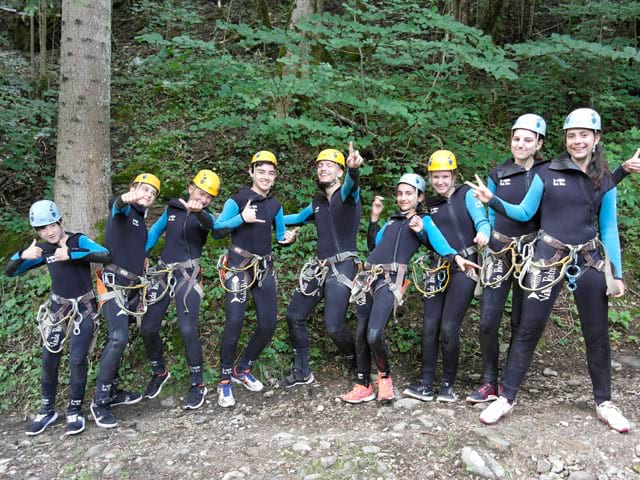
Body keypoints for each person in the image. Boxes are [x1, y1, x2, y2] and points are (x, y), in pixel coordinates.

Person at [467, 108, 630, 433]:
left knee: (596, 334)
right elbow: (524, 210)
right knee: (528, 328)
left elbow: (608, 228)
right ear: (565, 140)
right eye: (572, 135)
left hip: (588, 260)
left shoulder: (604, 180)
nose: (578, 140)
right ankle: (507, 397)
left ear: (596, 139)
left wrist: (617, 273)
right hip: (546, 256)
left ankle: (604, 402)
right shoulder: (548, 172)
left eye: (585, 134)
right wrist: (493, 201)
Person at [340, 174, 478, 404]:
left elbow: (437, 241)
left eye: (409, 193)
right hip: (367, 277)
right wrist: (374, 219)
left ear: (419, 196)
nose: (403, 198)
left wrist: (456, 258)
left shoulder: (423, 220)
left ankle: (384, 377)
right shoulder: (392, 220)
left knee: (374, 334)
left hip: (391, 279)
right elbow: (374, 245)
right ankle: (363, 385)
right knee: (361, 334)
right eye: (400, 193)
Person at [6, 200, 110, 435]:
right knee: (49, 358)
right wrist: (23, 254)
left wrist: (71, 254)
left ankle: (74, 410)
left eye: (52, 225)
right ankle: (47, 409)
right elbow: (11, 271)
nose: (49, 232)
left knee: (77, 359)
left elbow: (104, 255)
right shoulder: (43, 251)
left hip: (83, 307)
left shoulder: (76, 240)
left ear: (61, 222)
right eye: (42, 228)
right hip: (58, 310)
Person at [466, 114, 547, 404]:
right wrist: (484, 230)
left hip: (532, 253)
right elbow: (487, 212)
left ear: (539, 143)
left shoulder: (546, 172)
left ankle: (510, 381)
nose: (520, 144)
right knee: (488, 320)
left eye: (528, 139)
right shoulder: (498, 174)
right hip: (499, 251)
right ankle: (489, 381)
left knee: (521, 321)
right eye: (516, 138)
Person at [403, 150, 490, 403]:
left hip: (467, 266)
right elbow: (431, 242)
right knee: (429, 325)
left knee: (449, 326)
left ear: (453, 175)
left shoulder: (467, 194)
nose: (440, 182)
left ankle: (448, 385)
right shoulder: (430, 205)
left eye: (444, 176)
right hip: (437, 267)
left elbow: (481, 219)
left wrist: (484, 231)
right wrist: (420, 234)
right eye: (435, 177)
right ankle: (426, 383)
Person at [215, 151, 298, 408]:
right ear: (251, 172)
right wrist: (242, 218)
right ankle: (225, 381)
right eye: (261, 171)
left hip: (263, 267)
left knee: (268, 324)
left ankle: (242, 368)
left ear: (275, 177)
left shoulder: (275, 206)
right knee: (235, 321)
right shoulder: (238, 200)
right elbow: (217, 230)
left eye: (271, 173)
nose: (266, 177)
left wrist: (287, 239)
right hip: (238, 266)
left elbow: (280, 234)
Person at [142, 170, 227, 409]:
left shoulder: (206, 217)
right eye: (201, 193)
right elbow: (156, 232)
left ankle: (198, 384)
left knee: (187, 329)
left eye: (209, 196)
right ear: (190, 188)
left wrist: (201, 212)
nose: (204, 198)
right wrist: (142, 254)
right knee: (148, 327)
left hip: (188, 275)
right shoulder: (173, 209)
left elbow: (215, 229)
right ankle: (159, 372)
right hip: (162, 271)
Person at [281, 143, 363, 387]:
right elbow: (294, 218)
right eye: (320, 165)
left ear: (339, 171)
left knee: (334, 325)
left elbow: (352, 184)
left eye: (329, 165)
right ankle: (302, 371)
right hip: (320, 267)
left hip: (344, 265)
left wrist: (353, 170)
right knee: (294, 315)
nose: (323, 168)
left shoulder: (347, 195)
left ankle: (357, 362)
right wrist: (263, 216)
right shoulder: (317, 203)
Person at [91, 173, 161, 428]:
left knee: (122, 338)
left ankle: (113, 391)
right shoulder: (122, 210)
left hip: (132, 288)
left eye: (152, 195)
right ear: (133, 189)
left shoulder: (140, 221)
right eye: (144, 190)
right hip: (113, 286)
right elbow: (116, 205)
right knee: (118, 337)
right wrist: (124, 198)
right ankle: (99, 402)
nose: (148, 196)